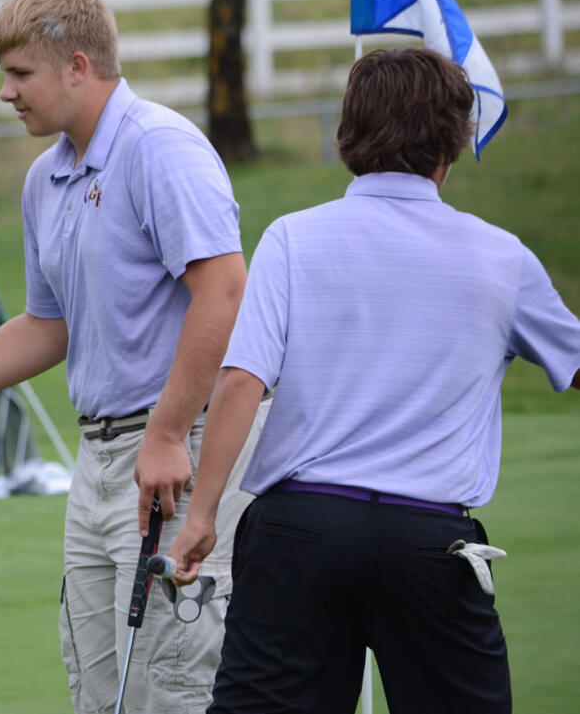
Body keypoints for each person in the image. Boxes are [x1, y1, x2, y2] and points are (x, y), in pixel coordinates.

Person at [0, 0, 266, 713]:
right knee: (98, 689)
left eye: (19, 73)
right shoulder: (45, 177)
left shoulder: (160, 148)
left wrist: (168, 430)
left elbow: (225, 290)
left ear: (77, 66)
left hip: (176, 455)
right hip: (99, 462)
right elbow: (47, 328)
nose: (5, 91)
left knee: (169, 689)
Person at [166, 47, 580, 714]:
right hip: (430, 542)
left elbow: (242, 381)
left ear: (346, 134)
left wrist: (204, 515)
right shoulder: (504, 257)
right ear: (454, 140)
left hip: (297, 531)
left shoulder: (292, 237)